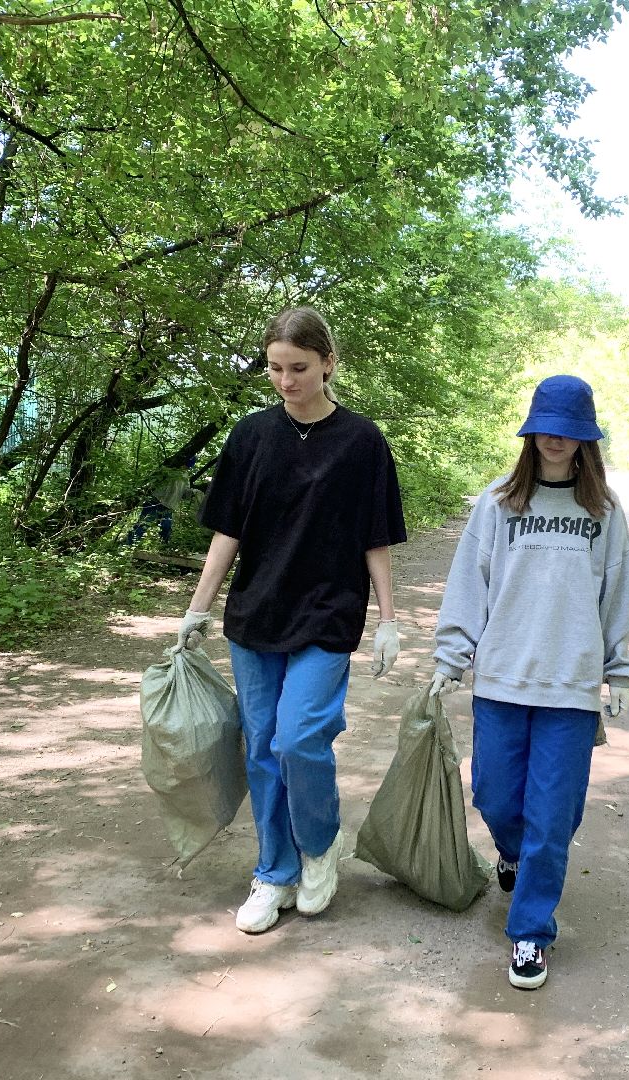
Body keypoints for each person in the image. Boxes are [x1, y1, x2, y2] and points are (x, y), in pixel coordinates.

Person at [176, 306, 407, 934]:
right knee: (261, 749)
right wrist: (198, 609)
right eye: (275, 368)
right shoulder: (251, 437)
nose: (285, 380)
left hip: (328, 616)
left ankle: (317, 847)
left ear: (327, 363)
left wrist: (389, 619)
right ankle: (273, 871)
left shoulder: (362, 442)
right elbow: (228, 531)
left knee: (298, 738)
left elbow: (376, 537)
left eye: (299, 368)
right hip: (256, 615)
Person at [430, 374, 629, 990]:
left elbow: (616, 591)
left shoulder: (602, 510)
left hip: (570, 686)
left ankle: (529, 932)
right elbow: (470, 583)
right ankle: (513, 851)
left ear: (586, 439)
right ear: (531, 430)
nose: (556, 440)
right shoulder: (498, 502)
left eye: (570, 431)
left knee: (554, 815)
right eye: (547, 427)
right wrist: (451, 655)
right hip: (500, 678)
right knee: (494, 793)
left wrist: (618, 668)